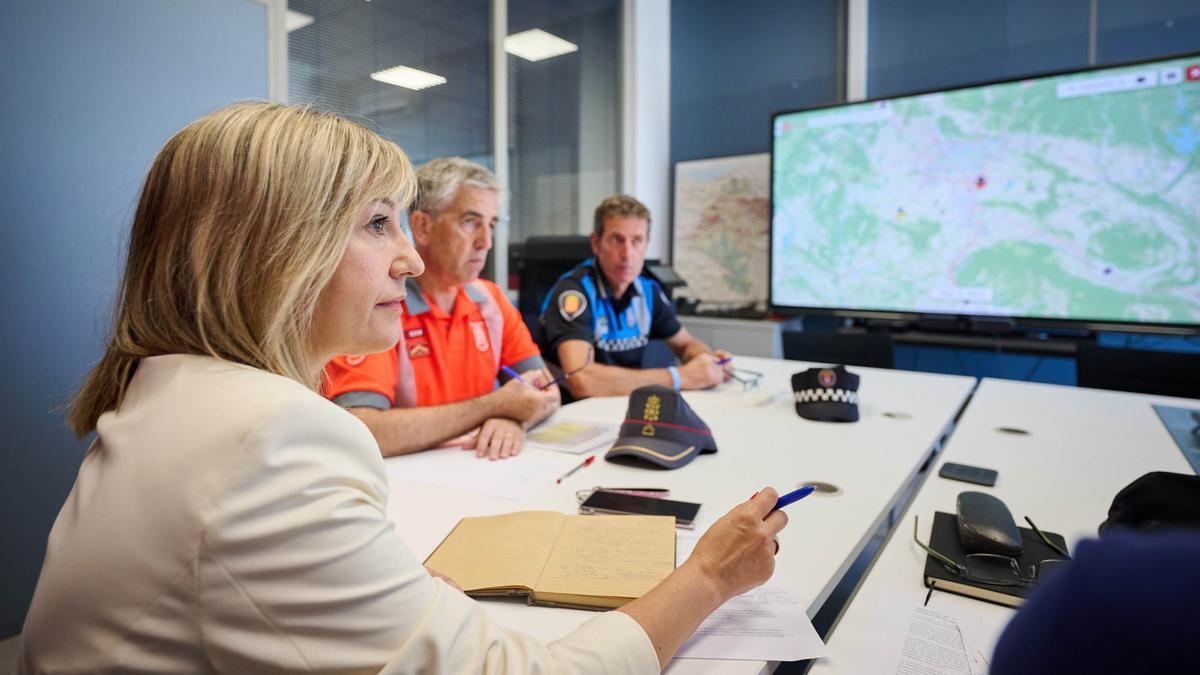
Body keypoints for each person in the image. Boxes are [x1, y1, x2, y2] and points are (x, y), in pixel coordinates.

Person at [17, 102, 790, 674]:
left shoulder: (173, 392)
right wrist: (712, 573)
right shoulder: (272, 436)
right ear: (276, 251)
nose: (412, 259)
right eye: (379, 224)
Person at [325, 157, 557, 460]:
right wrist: (494, 407)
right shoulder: (379, 304)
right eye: (470, 222)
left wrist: (513, 417)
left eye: (492, 225)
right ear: (422, 227)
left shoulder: (491, 300)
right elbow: (360, 429)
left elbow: (547, 392)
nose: (485, 242)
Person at [539, 194, 732, 400]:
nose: (627, 253)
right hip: (573, 413)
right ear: (596, 243)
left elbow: (685, 343)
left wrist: (707, 360)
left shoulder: (647, 290)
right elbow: (581, 379)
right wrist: (679, 377)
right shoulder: (574, 293)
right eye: (616, 240)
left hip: (623, 405)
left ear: (646, 244)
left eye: (637, 240)